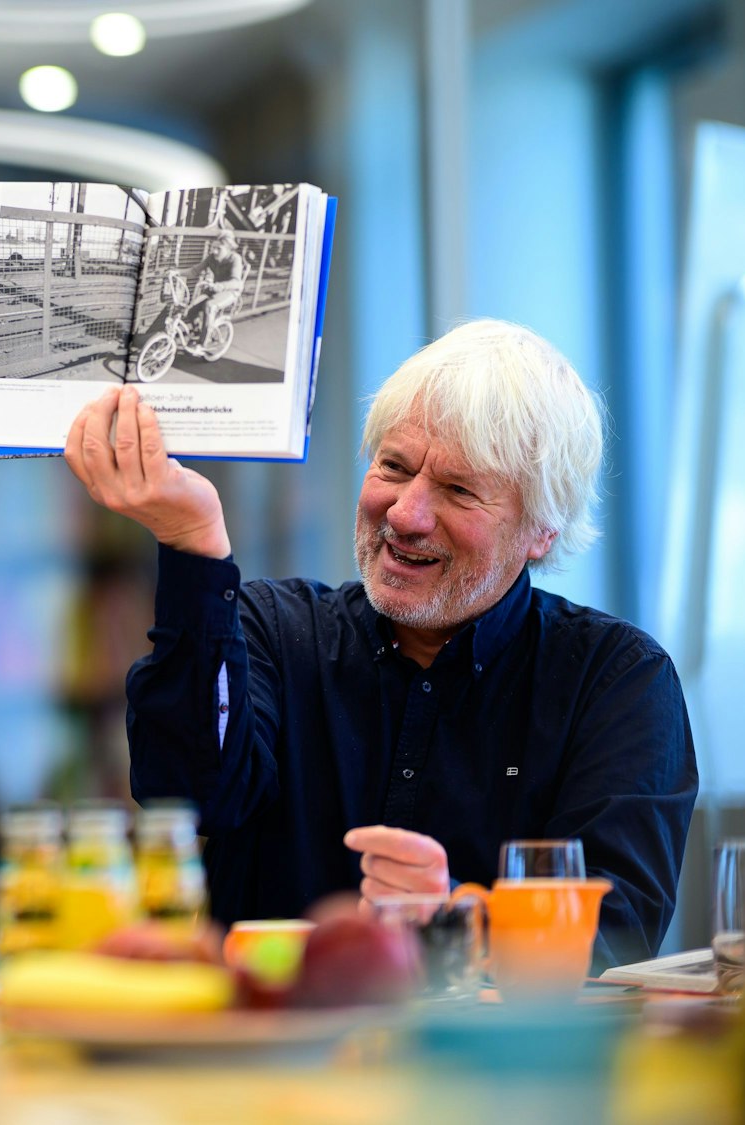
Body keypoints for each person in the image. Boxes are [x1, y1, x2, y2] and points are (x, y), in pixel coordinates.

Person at [64, 320, 697, 966]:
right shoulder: (273, 631)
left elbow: (616, 937)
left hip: (488, 1067)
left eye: (458, 490)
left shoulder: (616, 682)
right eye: (393, 466)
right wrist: (193, 542)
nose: (404, 513)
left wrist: (456, 918)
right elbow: (183, 794)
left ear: (542, 531)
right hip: (266, 1060)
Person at [186, 229, 246, 350]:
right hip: (215, 288)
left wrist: (220, 286)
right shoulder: (211, 258)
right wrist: (176, 272)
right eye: (213, 247)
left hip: (230, 291)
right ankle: (197, 333)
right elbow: (194, 271)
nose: (214, 251)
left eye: (219, 249)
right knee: (191, 308)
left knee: (209, 306)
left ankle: (203, 343)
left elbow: (236, 282)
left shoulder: (235, 259)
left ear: (228, 248)